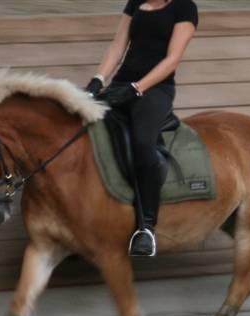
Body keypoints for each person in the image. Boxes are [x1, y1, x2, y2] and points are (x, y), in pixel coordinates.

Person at [86, 0, 198, 256]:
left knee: (143, 142)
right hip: (120, 85)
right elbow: (117, 46)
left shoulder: (185, 7)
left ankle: (146, 227)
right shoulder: (136, 2)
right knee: (82, 128)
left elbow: (172, 60)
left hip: (154, 90)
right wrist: (97, 80)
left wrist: (137, 89)